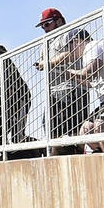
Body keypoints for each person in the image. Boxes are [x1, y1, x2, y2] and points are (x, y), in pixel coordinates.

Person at [33, 9, 90, 155]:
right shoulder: (46, 42)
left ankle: (79, 154)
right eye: (42, 26)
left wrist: (49, 63)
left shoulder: (69, 33)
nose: (44, 29)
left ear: (59, 21)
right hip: (53, 91)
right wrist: (42, 64)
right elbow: (43, 62)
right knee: (51, 129)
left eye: (47, 24)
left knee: (74, 130)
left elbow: (75, 53)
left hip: (73, 88)